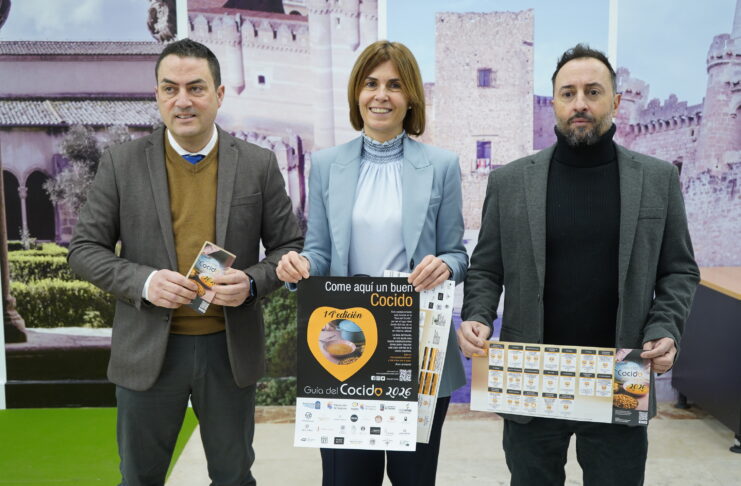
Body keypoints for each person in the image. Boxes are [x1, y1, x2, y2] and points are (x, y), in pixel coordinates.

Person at [457, 44, 699, 486]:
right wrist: (477, 315)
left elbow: (678, 271)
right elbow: (487, 269)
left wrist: (665, 328)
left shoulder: (658, 179)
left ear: (616, 101)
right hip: (528, 370)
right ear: (554, 102)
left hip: (625, 369)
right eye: (568, 93)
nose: (580, 103)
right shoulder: (510, 182)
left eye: (593, 92)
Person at [68, 38, 303, 486]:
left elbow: (287, 247)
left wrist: (252, 283)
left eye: (196, 88)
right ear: (157, 95)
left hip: (227, 352)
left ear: (219, 93)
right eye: (170, 89)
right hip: (147, 351)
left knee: (233, 477)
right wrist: (144, 281)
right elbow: (84, 250)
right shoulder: (121, 164)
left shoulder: (257, 164)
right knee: (139, 479)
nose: (183, 101)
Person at [276, 40, 467, 486]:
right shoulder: (327, 165)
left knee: (413, 479)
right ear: (356, 93)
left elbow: (457, 254)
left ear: (411, 97)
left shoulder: (441, 166)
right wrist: (298, 267)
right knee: (346, 479)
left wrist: (446, 266)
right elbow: (319, 252)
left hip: (415, 348)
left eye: (395, 85)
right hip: (343, 348)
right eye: (371, 83)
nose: (381, 95)